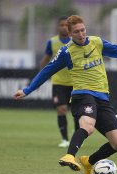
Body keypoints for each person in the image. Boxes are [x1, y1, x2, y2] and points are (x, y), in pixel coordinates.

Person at [14, 15, 117, 174]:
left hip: (102, 98)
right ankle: (69, 156)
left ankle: (89, 161)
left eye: (82, 30)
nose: (81, 34)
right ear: (70, 33)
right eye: (76, 32)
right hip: (82, 95)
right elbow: (47, 71)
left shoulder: (96, 42)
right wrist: (27, 90)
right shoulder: (66, 51)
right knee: (88, 126)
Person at [39, 16, 78, 148]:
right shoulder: (52, 42)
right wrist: (41, 74)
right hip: (58, 82)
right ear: (58, 27)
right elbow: (46, 58)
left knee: (77, 112)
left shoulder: (76, 41)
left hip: (75, 83)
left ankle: (77, 135)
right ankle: (64, 139)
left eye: (65, 25)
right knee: (61, 109)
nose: (63, 27)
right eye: (61, 25)